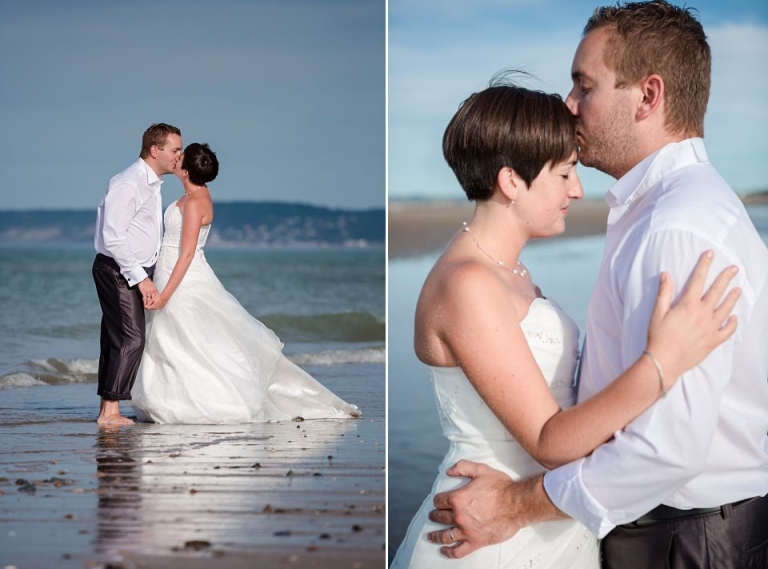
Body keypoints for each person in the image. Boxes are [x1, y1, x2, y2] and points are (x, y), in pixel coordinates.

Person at [426, 2, 768, 568]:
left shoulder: (677, 227)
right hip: (656, 528)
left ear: (649, 96)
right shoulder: (662, 211)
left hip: (682, 539)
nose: (570, 104)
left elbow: (667, 452)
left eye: (585, 85)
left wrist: (514, 504)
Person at [129, 143, 362, 424]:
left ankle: (196, 400)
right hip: (169, 270)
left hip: (181, 276)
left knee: (185, 339)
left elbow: (187, 253)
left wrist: (166, 294)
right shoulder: (197, 194)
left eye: (180, 157)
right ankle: (165, 396)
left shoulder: (193, 202)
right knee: (175, 339)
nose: (175, 159)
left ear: (186, 170)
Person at [92, 123, 183, 427]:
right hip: (118, 269)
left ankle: (108, 408)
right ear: (155, 150)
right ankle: (110, 412)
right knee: (131, 338)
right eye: (174, 150)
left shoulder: (152, 183)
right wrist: (141, 279)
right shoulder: (129, 183)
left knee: (116, 338)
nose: (178, 156)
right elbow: (113, 236)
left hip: (134, 269)